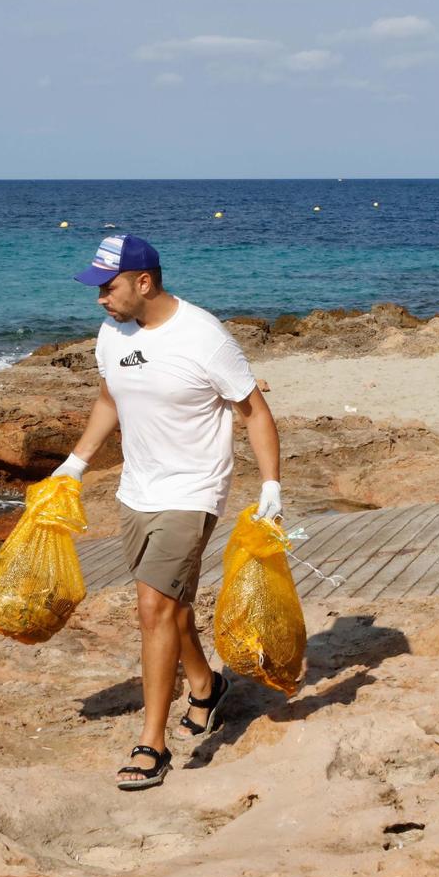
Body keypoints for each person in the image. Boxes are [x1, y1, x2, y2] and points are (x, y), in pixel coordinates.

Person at [50, 234, 283, 790]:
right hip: (136, 492)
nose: (100, 299)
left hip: (193, 491)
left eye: (108, 288)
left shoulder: (203, 336)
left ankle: (152, 744)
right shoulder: (112, 333)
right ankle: (206, 685)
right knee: (171, 609)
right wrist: (75, 463)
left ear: (143, 282)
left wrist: (271, 486)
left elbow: (252, 411)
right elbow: (110, 398)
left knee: (153, 607)